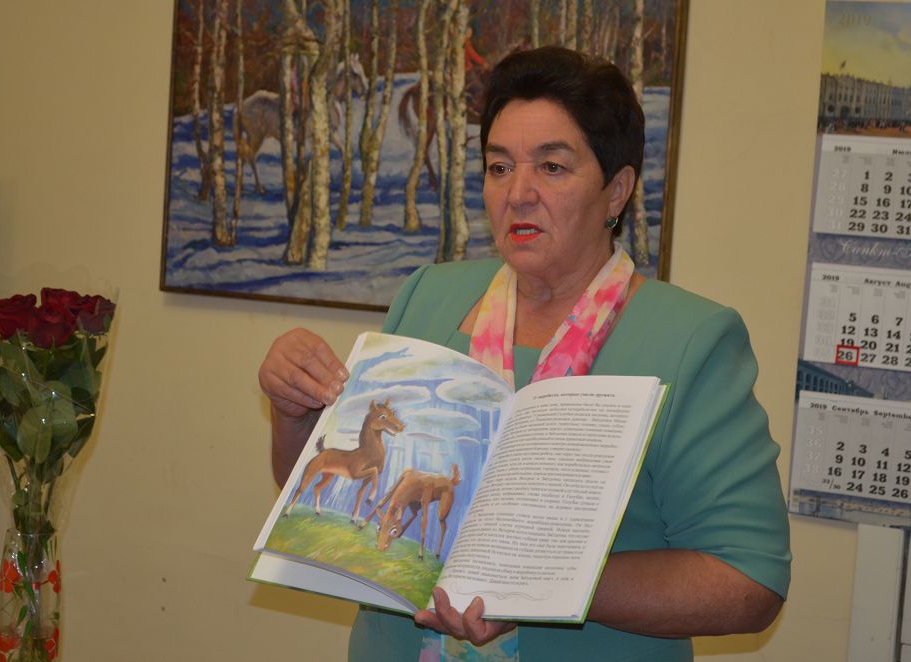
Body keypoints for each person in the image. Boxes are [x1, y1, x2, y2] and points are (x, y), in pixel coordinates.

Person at [259, 46, 790, 662]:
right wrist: (294, 414)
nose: (518, 193)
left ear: (616, 191)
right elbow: (328, 487)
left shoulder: (690, 339)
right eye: (499, 166)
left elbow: (748, 582)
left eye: (553, 167)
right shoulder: (429, 297)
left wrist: (530, 580)